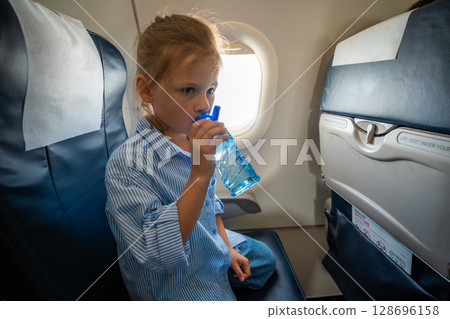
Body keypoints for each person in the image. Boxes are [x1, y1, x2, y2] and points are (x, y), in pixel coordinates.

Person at [105, 13, 276, 301]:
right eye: (188, 90)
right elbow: (158, 253)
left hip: (206, 245)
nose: (204, 104)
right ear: (147, 90)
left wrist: (226, 247)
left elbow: (210, 206)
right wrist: (200, 174)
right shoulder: (128, 164)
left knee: (263, 259)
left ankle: (227, 259)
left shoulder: (192, 139)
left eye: (210, 89)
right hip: (177, 284)